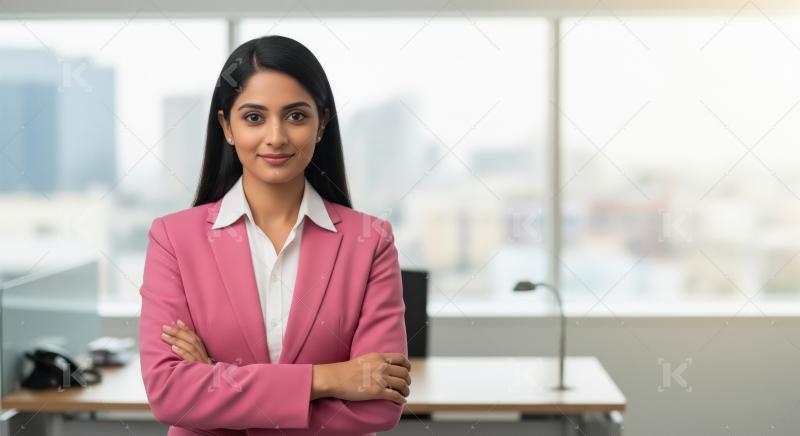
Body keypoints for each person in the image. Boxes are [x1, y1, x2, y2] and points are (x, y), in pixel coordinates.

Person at [138, 35, 410, 436]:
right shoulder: (173, 239)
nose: (276, 137)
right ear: (226, 127)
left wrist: (216, 383)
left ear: (323, 125)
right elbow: (169, 394)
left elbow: (378, 407)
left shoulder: (370, 241)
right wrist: (330, 379)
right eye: (253, 118)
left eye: (296, 116)